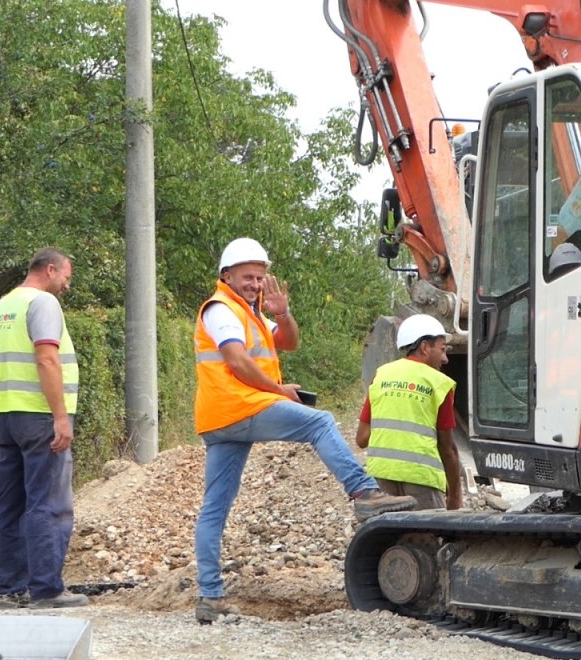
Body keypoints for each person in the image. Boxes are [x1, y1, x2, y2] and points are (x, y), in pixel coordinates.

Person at [193, 237, 416, 624]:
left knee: (215, 508)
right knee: (320, 422)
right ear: (226, 275)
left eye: (260, 278)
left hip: (220, 418)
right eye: (248, 277)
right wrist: (279, 391)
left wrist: (283, 315)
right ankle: (363, 491)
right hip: (239, 406)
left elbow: (289, 343)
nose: (256, 284)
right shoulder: (221, 310)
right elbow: (236, 359)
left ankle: (209, 597)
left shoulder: (248, 312)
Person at [0, 247, 87, 610]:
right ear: (51, 269)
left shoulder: (1, 308)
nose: (66, 286)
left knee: (9, 505)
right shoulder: (42, 304)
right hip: (39, 416)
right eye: (66, 277)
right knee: (49, 502)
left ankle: (7, 589)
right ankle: (46, 589)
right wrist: (60, 416)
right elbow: (46, 357)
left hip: (8, 418)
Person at [356, 314, 462, 510]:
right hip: (422, 478)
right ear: (424, 347)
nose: (446, 358)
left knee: (389, 537)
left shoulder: (381, 376)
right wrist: (455, 498)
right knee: (428, 537)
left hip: (381, 477)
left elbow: (361, 439)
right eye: (442, 349)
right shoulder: (439, 383)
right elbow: (448, 450)